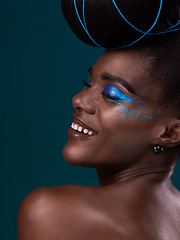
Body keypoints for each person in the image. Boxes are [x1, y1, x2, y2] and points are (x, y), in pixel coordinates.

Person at [17, 0, 180, 239]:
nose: (79, 99)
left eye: (112, 95)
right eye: (88, 83)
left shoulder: (55, 213)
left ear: (170, 133)